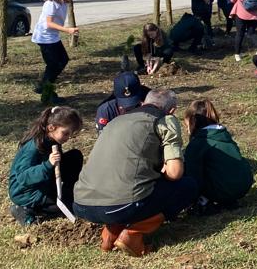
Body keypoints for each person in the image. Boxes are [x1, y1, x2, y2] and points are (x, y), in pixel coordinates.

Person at [73, 89, 197, 257]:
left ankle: (111, 232)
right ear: (172, 110)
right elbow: (175, 173)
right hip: (121, 206)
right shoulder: (165, 120)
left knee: (130, 188)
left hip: (82, 204)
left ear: (143, 103)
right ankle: (133, 234)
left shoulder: (116, 120)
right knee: (187, 186)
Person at [8, 106, 84, 226]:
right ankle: (24, 209)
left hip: (45, 183)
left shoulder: (54, 141)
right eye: (65, 133)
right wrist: (48, 165)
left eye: (70, 135)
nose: (68, 138)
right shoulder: (32, 147)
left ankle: (68, 193)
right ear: (51, 127)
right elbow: (23, 177)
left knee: (75, 156)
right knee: (69, 206)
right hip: (27, 192)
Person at [183, 99, 254, 213]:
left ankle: (204, 202)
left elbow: (194, 176)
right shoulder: (223, 135)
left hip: (221, 191)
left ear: (192, 122)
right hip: (243, 186)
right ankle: (228, 199)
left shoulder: (198, 144)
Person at [31, 0, 79, 104]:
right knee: (53, 65)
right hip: (44, 37)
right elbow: (49, 23)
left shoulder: (62, 2)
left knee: (63, 60)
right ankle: (47, 91)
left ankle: (43, 87)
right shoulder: (51, 4)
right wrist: (68, 30)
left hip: (53, 37)